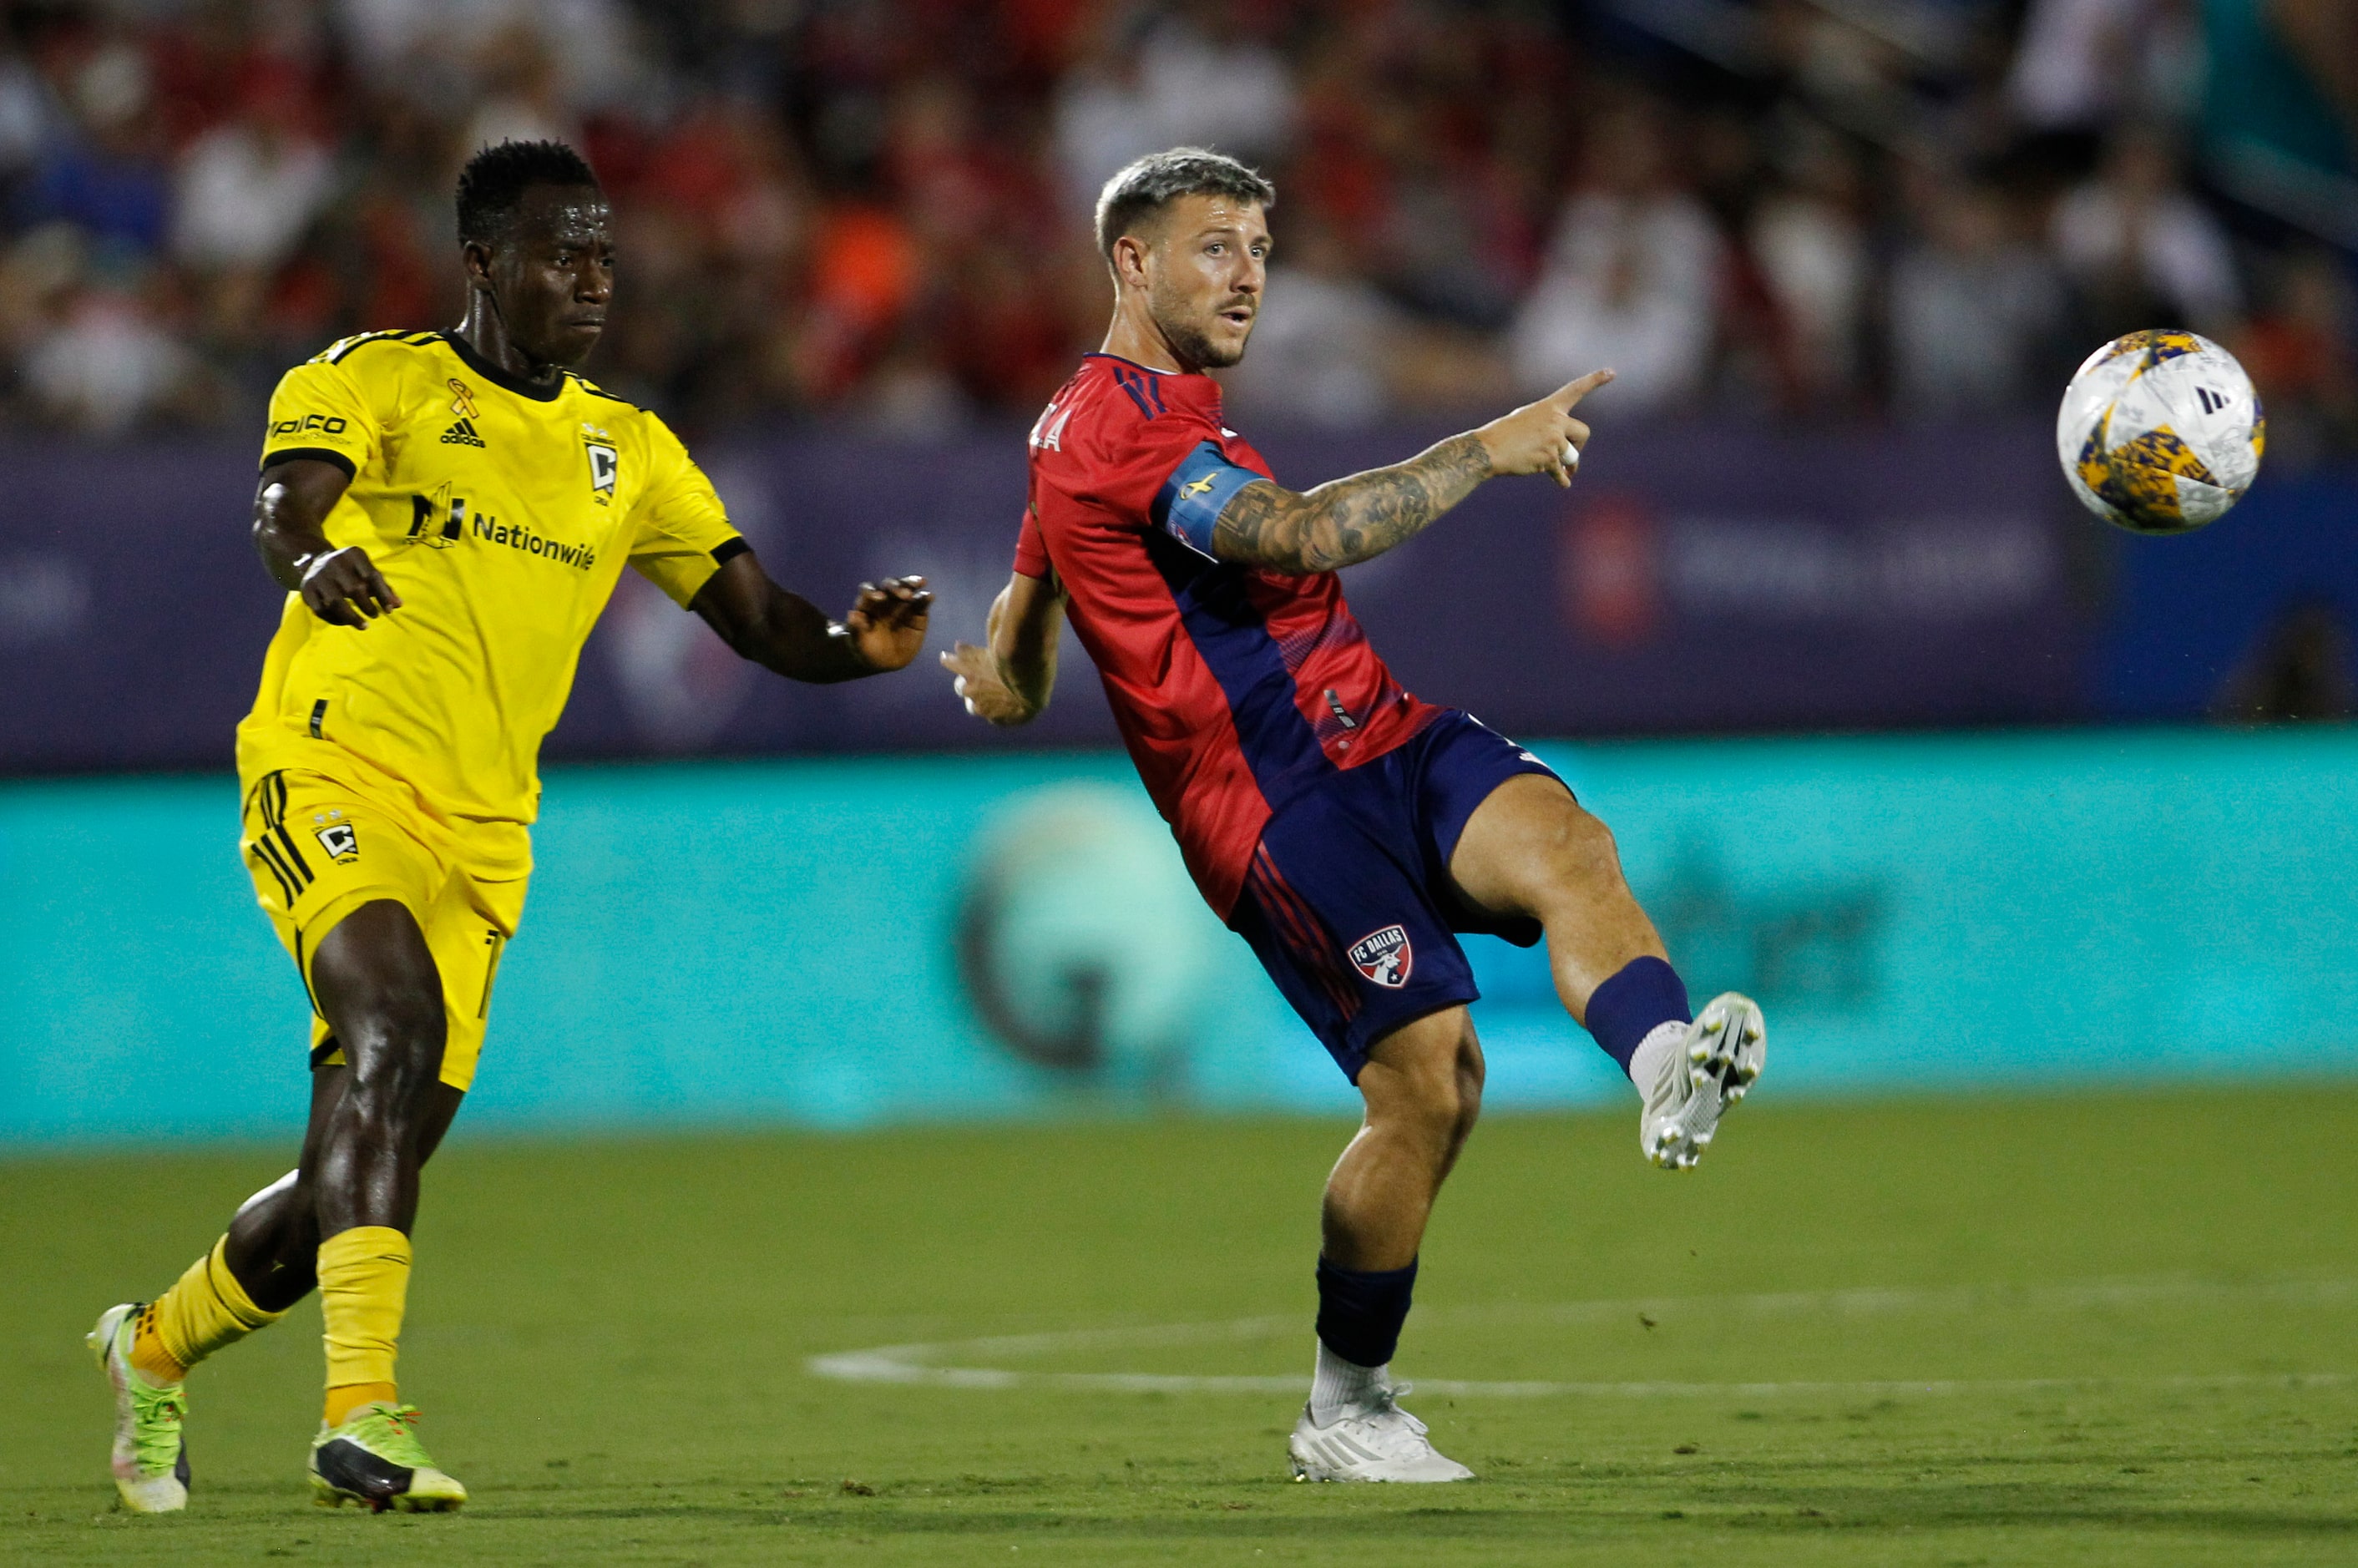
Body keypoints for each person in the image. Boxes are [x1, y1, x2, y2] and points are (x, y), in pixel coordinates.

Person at [88, 139, 932, 1515]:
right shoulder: (375, 379)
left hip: (485, 836)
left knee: (352, 1177)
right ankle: (362, 1418)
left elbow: (762, 620)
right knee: (391, 1033)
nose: (592, 278)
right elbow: (278, 510)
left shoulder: (631, 450)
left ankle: (154, 1345)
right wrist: (316, 560)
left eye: (605, 253)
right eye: (561, 252)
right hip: (333, 769)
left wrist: (861, 648)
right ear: (483, 263)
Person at [940, 147, 1765, 1485]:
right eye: (1217, 246)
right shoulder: (1118, 429)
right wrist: (1483, 450)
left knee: (1567, 843)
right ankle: (1348, 1405)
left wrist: (1007, 678)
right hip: (1275, 805)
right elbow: (1294, 534)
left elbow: (1032, 611)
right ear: (1132, 262)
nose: (1250, 272)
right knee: (1431, 1081)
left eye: (1262, 246)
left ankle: (1666, 1064)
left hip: (1380, 733)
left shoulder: (1109, 427)